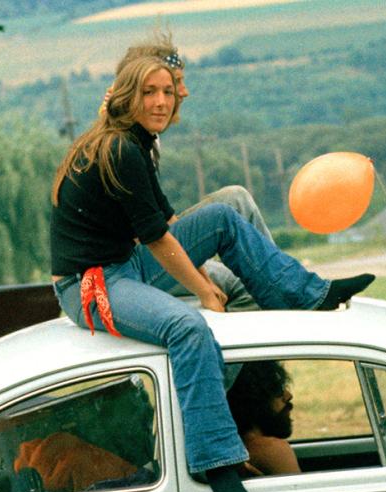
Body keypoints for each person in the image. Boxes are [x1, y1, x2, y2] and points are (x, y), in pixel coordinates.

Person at [49, 56, 373, 492]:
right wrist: (204, 292)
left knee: (223, 215)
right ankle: (213, 459)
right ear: (126, 95)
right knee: (186, 327)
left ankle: (309, 295)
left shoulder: (135, 142)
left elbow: (168, 224)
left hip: (127, 264)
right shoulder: (121, 150)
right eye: (149, 92)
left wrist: (203, 276)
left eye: (168, 91)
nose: (162, 101)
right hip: (92, 287)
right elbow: (159, 239)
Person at [109, 30, 281, 310]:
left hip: (152, 252)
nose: (184, 92)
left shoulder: (146, 136)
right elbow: (150, 233)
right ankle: (260, 342)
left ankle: (281, 280)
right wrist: (202, 283)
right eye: (175, 83)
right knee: (246, 283)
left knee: (235, 200)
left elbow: (166, 219)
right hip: (137, 266)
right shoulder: (124, 143)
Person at [225, 361, 300, 477]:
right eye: (276, 389)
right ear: (253, 400)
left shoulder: (233, 449)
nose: (288, 395)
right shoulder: (272, 449)